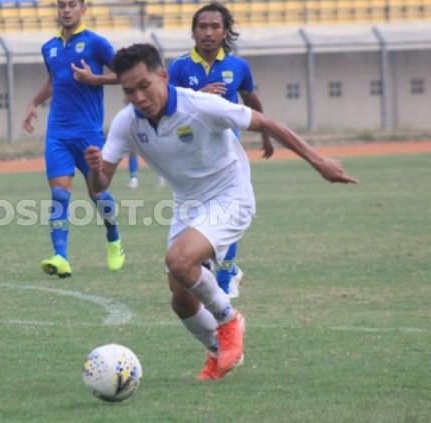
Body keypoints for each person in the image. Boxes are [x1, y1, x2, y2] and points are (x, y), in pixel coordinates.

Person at [85, 44, 356, 381]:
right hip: (188, 204)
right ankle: (218, 350)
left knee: (179, 261)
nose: (138, 97)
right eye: (128, 91)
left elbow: (266, 122)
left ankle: (229, 321)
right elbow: (100, 185)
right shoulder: (126, 123)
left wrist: (320, 162)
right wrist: (95, 170)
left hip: (231, 195)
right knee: (181, 300)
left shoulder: (200, 106)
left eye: (144, 86)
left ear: (163, 76)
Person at [168, 2, 274, 297]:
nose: (208, 32)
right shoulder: (179, 67)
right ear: (193, 31)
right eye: (202, 26)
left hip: (227, 156)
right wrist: (196, 97)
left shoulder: (237, 67)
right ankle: (219, 269)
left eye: (215, 26)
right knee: (197, 217)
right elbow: (169, 107)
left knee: (228, 211)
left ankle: (226, 278)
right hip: (192, 155)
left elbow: (252, 100)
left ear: (226, 31)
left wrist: (265, 135)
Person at [22, 0, 124, 278]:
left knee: (97, 193)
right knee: (58, 194)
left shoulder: (96, 44)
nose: (66, 10)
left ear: (83, 10)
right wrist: (34, 103)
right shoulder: (49, 47)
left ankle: (114, 238)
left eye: (72, 5)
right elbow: (54, 80)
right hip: (58, 133)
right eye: (61, 5)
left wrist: (95, 79)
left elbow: (125, 75)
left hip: (88, 133)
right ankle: (61, 256)